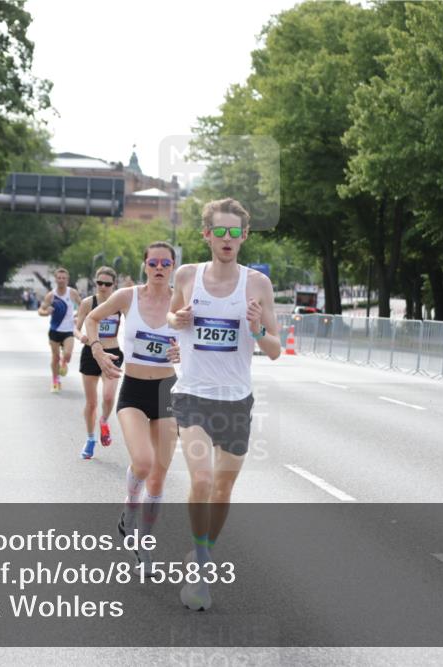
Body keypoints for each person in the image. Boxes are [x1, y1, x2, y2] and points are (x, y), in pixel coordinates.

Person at [167, 198, 281, 611]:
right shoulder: (186, 275)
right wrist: (175, 322)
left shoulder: (257, 285)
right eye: (221, 231)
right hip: (192, 394)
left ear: (245, 236)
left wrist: (255, 327)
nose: (228, 239)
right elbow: (170, 319)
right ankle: (199, 570)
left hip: (236, 400)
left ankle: (202, 552)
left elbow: (275, 349)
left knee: (221, 488)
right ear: (207, 234)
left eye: (236, 233)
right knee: (200, 481)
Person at [86, 242, 179, 576]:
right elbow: (92, 319)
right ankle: (129, 509)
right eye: (152, 262)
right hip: (134, 389)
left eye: (165, 263)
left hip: (167, 389)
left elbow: (196, 341)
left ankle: (144, 545)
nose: (158, 267)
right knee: (143, 462)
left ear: (173, 266)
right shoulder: (127, 296)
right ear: (144, 266)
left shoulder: (181, 300)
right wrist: (97, 351)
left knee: (159, 475)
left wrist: (184, 352)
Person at [74, 266, 123, 459]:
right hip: (91, 352)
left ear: (114, 285)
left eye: (107, 284)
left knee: (109, 397)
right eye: (99, 283)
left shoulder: (119, 303)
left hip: (112, 352)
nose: (102, 287)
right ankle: (90, 438)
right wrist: (82, 337)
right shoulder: (88, 302)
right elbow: (76, 328)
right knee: (92, 402)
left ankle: (103, 421)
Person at [38, 268, 80, 393]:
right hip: (55, 330)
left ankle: (64, 362)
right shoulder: (51, 295)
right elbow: (40, 311)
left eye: (64, 278)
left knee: (67, 354)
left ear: (67, 280)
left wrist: (78, 316)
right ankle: (55, 381)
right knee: (55, 357)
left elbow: (83, 305)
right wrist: (46, 312)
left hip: (68, 330)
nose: (61, 280)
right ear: (56, 279)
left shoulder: (72, 293)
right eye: (59, 278)